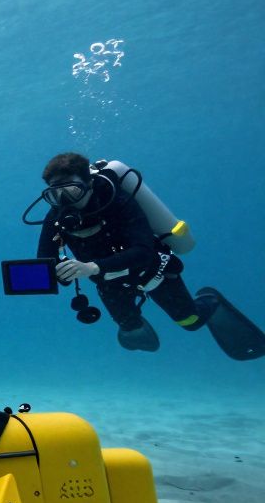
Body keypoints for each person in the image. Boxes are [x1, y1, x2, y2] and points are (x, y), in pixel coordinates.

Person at [33, 152, 263, 359]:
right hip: (110, 283)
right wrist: (59, 273)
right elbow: (45, 260)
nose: (64, 201)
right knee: (130, 326)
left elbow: (143, 252)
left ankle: (211, 300)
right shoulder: (55, 216)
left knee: (190, 322)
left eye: (72, 191)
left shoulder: (119, 202)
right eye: (55, 194)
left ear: (90, 184)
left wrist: (92, 267)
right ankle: (133, 325)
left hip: (153, 272)